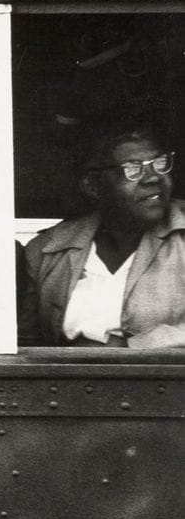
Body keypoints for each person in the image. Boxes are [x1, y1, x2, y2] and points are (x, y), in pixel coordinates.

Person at [20, 115, 184, 348]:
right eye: (133, 169)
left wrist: (139, 346)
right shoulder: (48, 250)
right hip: (70, 384)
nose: (154, 178)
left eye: (159, 162)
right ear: (93, 186)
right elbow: (26, 346)